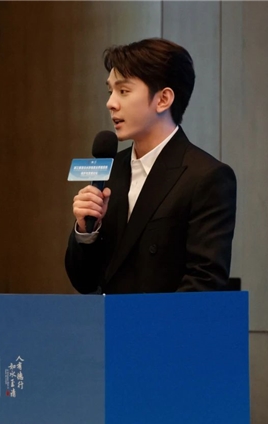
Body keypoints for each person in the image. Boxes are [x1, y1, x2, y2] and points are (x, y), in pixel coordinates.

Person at [65, 38, 236, 294]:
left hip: (164, 320)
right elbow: (84, 281)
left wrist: (148, 320)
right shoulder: (111, 169)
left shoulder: (206, 177)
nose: (111, 103)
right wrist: (85, 230)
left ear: (163, 99)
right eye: (110, 92)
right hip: (107, 318)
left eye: (123, 91)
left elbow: (204, 282)